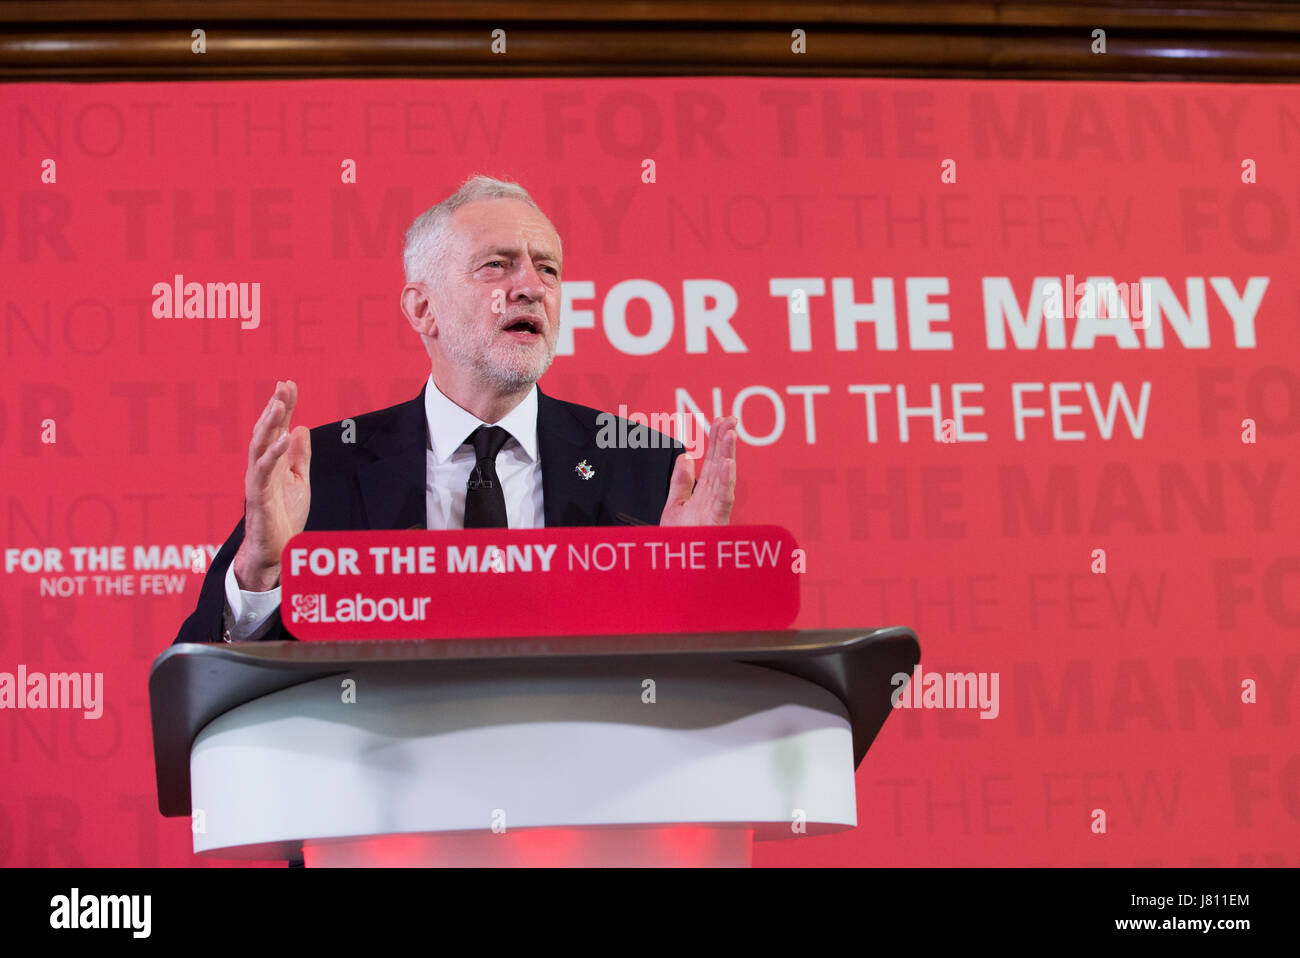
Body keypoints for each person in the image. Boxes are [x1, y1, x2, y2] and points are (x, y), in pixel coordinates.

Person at [172, 174, 737, 645]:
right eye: (497, 265)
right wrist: (261, 572)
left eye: (548, 269)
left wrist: (692, 590)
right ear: (423, 309)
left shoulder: (644, 469)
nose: (531, 288)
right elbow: (204, 671)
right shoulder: (324, 473)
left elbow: (694, 689)